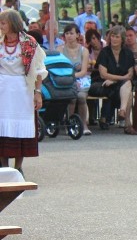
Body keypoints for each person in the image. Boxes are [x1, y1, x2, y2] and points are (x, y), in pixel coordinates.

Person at [0, 10, 47, 174]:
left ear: (13, 24)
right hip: (3, 90)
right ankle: (3, 167)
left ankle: (18, 167)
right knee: (2, 127)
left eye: (3, 23)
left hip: (22, 89)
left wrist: (37, 92)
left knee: (22, 127)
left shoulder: (29, 43)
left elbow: (39, 70)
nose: (1, 26)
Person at [92, 25, 137, 131]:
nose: (114, 39)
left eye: (117, 37)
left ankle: (118, 113)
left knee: (126, 85)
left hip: (117, 84)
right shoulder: (105, 52)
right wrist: (119, 78)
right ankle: (121, 119)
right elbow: (103, 74)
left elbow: (130, 75)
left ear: (122, 39)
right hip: (100, 83)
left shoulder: (128, 53)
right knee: (125, 87)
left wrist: (114, 80)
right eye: (112, 36)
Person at [57, 24, 91, 135]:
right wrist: (70, 78)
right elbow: (60, 69)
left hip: (81, 80)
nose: (69, 36)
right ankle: (70, 124)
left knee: (81, 97)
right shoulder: (60, 50)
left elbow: (84, 71)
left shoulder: (84, 51)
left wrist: (73, 77)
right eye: (67, 33)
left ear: (77, 35)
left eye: (71, 33)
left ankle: (83, 124)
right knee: (71, 98)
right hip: (66, 81)